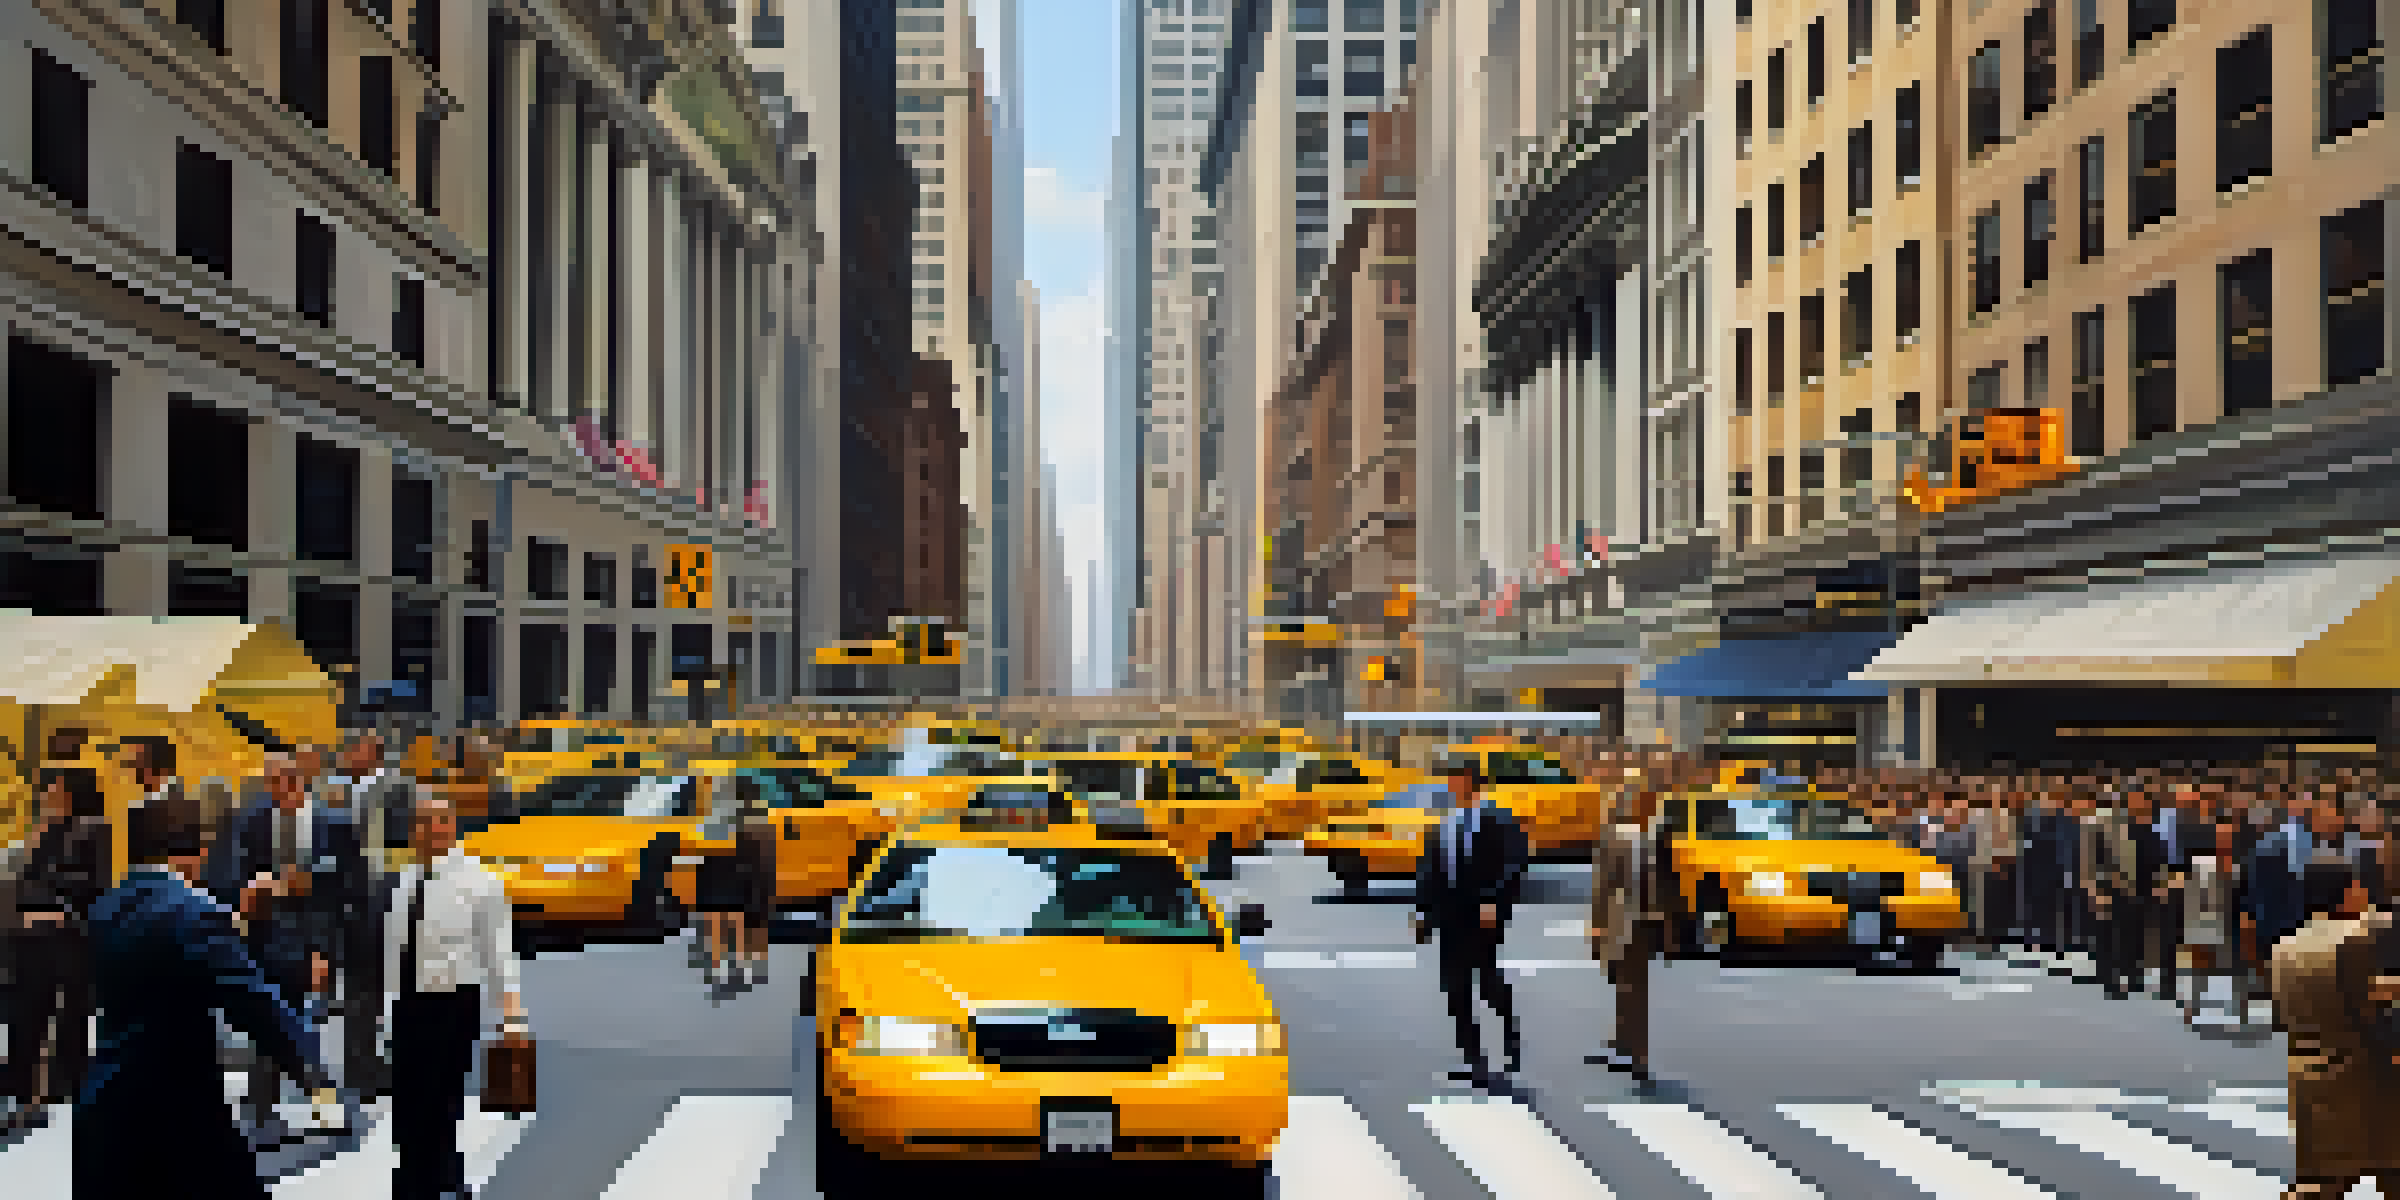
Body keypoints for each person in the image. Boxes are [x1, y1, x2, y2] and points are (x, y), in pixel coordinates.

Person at [74, 778, 339, 1200]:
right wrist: (316, 1078)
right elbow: (255, 1005)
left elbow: (165, 953)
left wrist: (235, 922)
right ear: (195, 854)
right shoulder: (195, 913)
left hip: (104, 1110)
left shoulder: (107, 907)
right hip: (177, 1116)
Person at [206, 750, 371, 1143]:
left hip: (310, 945)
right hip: (261, 942)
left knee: (296, 1030)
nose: (274, 789)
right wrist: (249, 896)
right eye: (270, 781)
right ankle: (270, 1111)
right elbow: (229, 880)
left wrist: (328, 953)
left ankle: (308, 1108)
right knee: (274, 1027)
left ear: (300, 781)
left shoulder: (335, 825)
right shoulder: (250, 824)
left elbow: (351, 894)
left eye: (282, 780)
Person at [385, 790, 528, 1200]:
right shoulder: (405, 879)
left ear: (451, 826)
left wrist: (511, 1017)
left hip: (453, 1002)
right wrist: (385, 1005)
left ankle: (441, 1179)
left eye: (438, 822)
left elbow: (499, 954)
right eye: (421, 824)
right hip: (408, 1002)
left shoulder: (481, 883)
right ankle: (418, 1177)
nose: (428, 832)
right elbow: (394, 946)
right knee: (408, 1096)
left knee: (442, 1096)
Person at [2268, 855, 2400, 1198]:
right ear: (2345, 893)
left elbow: (2286, 1014)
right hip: (2360, 1081)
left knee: (2319, 1183)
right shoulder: (2356, 939)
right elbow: (2368, 1013)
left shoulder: (2285, 947)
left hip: (2307, 1082)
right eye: (2357, 886)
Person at [4, 767, 110, 1131]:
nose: (49, 794)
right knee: (26, 1011)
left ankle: (58, 1089)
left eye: (55, 788)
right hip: (32, 933)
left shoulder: (95, 828)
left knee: (64, 1015)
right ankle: (23, 1089)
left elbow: (93, 884)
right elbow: (26, 880)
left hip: (68, 933)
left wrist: (56, 908)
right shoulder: (44, 832)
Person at [1412, 757, 1529, 1088]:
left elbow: (1515, 862)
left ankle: (1510, 1040)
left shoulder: (1497, 819)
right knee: (1455, 988)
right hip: (1449, 916)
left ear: (1470, 781)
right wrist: (1422, 911)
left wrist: (1495, 899)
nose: (1449, 784)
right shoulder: (1443, 824)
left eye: (1454, 778)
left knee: (1488, 982)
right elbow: (1429, 871)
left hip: (1483, 913)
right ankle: (1473, 1059)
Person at [1588, 786, 1666, 1083]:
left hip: (1643, 921)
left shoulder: (1655, 837)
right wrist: (1598, 925)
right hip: (1620, 921)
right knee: (1621, 983)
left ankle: (1637, 1056)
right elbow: (1603, 886)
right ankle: (1621, 1044)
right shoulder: (1614, 837)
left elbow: (1666, 883)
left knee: (1635, 990)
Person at [737, 778, 780, 986]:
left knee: (747, 924)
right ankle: (759, 965)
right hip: (765, 879)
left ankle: (748, 967)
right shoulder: (766, 819)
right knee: (760, 923)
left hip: (747, 879)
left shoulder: (742, 822)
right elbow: (771, 853)